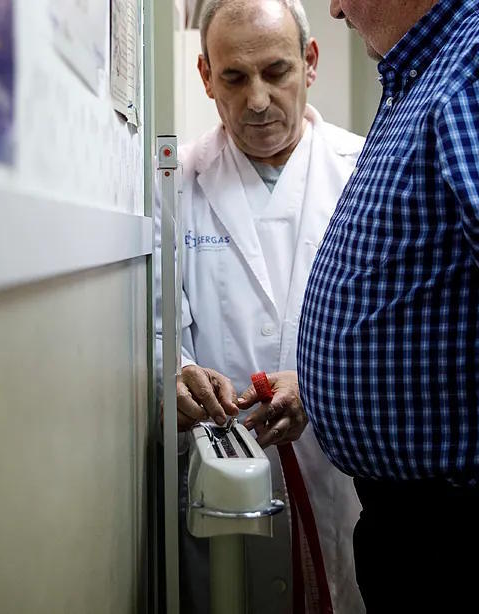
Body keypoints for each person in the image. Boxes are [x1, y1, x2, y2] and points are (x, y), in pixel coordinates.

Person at [166, 0, 366, 611]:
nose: (256, 100)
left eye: (275, 71)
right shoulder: (175, 182)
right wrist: (170, 374)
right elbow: (150, 331)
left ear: (309, 62)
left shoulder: (364, 170)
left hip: (344, 479)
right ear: (205, 76)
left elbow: (408, 333)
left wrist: (321, 388)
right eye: (234, 77)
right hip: (221, 479)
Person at [291, 0, 479, 610]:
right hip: (415, 522)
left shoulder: (469, 67)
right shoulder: (419, 78)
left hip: (454, 526)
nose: (336, 9)